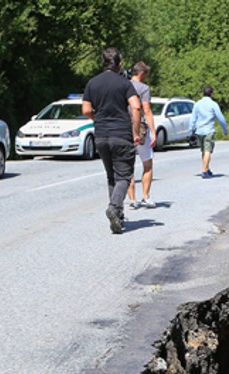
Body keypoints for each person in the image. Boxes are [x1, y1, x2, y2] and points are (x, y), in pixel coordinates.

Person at [82, 47, 142, 234]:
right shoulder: (124, 83)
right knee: (124, 176)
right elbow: (136, 107)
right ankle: (114, 208)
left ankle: (118, 217)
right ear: (119, 64)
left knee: (112, 176)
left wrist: (98, 120)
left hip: (101, 136)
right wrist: (136, 132)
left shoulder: (92, 83)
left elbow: (86, 110)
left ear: (103, 63)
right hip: (121, 135)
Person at [127, 61, 157, 209]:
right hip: (141, 129)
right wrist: (154, 131)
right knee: (147, 163)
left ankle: (133, 200)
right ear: (142, 73)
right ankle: (146, 196)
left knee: (128, 166)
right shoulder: (144, 88)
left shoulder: (123, 85)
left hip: (125, 129)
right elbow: (147, 110)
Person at [188, 85, 228, 179]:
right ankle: (204, 171)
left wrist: (191, 130)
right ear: (212, 93)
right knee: (207, 150)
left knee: (204, 151)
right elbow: (220, 118)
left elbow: (193, 118)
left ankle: (206, 168)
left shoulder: (197, 104)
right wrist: (225, 129)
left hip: (199, 131)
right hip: (208, 130)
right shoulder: (213, 104)